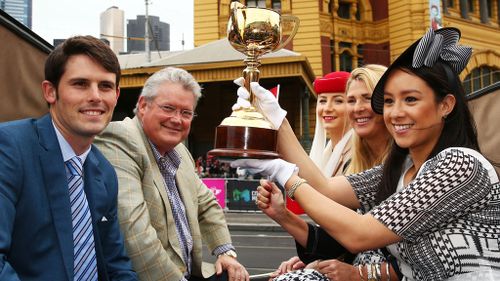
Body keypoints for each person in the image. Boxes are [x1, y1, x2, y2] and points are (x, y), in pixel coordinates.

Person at [233, 27, 500, 280]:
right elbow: (325, 188)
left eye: (411, 99)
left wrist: (282, 172)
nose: (395, 113)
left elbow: (359, 234)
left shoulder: (462, 164)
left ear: (446, 105)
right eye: (388, 101)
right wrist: (277, 121)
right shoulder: (402, 168)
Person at [0, 36, 137, 280]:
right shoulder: (10, 148)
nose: (95, 96)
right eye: (80, 84)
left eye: (105, 86)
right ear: (50, 91)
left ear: (116, 96)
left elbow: (116, 263)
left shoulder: (105, 173)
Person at [94, 67, 249, 281]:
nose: (177, 119)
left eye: (186, 113)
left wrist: (225, 253)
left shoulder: (180, 151)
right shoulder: (121, 138)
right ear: (142, 106)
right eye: (168, 108)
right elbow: (135, 233)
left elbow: (206, 205)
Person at [247, 65, 398, 281]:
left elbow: (328, 195)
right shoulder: (348, 157)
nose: (357, 108)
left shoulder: (404, 165)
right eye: (351, 100)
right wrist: (284, 215)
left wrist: (359, 273)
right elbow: (339, 238)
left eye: (367, 98)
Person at [309, 71, 353, 177]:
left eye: (338, 101)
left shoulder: (357, 155)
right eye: (323, 101)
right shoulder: (327, 152)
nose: (327, 108)